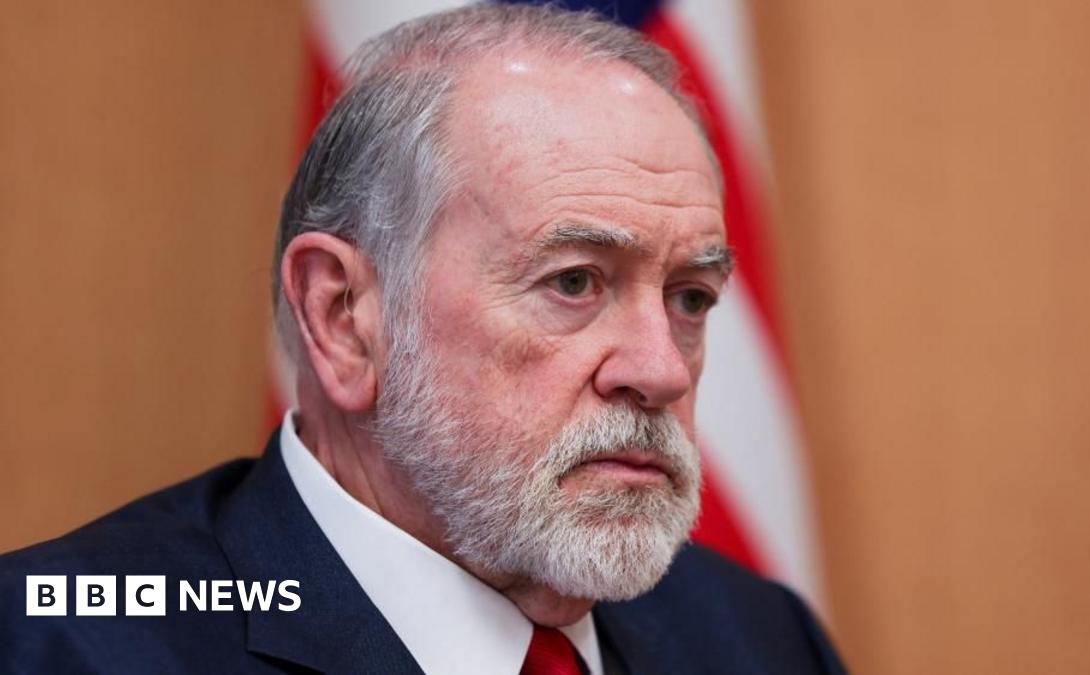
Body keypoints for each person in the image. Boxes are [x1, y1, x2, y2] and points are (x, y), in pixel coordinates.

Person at [0, 5, 846, 673]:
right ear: (343, 318)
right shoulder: (56, 643)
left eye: (690, 296)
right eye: (574, 282)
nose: (662, 368)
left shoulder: (761, 638)